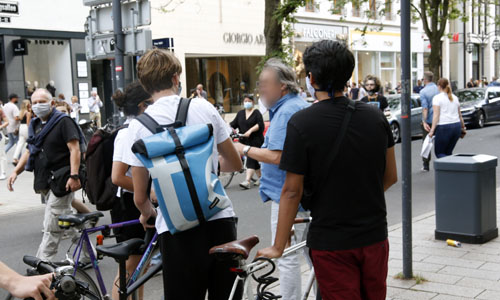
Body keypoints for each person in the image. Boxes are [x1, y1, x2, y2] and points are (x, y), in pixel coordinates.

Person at [256, 39, 398, 300]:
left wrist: (278, 247)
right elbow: (390, 176)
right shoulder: (376, 117)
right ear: (348, 76)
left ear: (311, 77)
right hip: (375, 236)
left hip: (332, 241)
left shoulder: (302, 123)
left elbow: (291, 191)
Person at [122, 49, 242, 300]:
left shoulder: (138, 127)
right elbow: (235, 163)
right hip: (219, 218)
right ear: (176, 78)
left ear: (145, 86)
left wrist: (148, 214)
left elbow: (140, 195)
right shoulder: (203, 108)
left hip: (175, 229)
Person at [233, 58, 310, 300]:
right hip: (298, 194)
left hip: (287, 195)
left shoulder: (287, 110)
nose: (260, 90)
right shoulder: (296, 105)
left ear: (283, 87)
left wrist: (242, 149)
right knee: (310, 253)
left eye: (265, 84)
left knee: (286, 256)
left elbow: (277, 156)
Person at [7, 88, 88, 261]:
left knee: (51, 226)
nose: (38, 106)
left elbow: (75, 149)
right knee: (66, 223)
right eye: (34, 103)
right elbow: (30, 151)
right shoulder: (35, 126)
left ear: (51, 103)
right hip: (45, 181)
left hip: (62, 181)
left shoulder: (63, 121)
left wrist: (74, 176)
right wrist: (15, 172)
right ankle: (90, 255)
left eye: (42, 102)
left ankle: (42, 265)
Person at [110, 81, 152, 300]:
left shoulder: (134, 128)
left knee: (139, 267)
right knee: (130, 267)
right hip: (129, 205)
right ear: (143, 105)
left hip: (132, 202)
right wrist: (146, 191)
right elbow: (117, 177)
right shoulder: (129, 133)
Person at [230, 95, 265, 189]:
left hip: (255, 139)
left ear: (253, 102)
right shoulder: (240, 113)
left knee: (250, 155)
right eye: (245, 101)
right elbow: (233, 124)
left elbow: (260, 124)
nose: (246, 103)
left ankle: (247, 181)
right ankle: (262, 178)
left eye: (248, 101)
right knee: (254, 159)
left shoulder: (256, 113)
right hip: (244, 140)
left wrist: (250, 131)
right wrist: (227, 128)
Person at [428, 78, 466, 158]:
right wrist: (463, 127)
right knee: (448, 152)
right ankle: (451, 169)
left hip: (444, 126)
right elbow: (460, 115)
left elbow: (436, 115)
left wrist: (432, 130)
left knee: (439, 153)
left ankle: (452, 168)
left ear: (439, 86)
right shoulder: (455, 98)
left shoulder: (437, 98)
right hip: (456, 126)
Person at [419, 71, 439, 171]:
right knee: (440, 141)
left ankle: (426, 165)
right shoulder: (438, 89)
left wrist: (424, 121)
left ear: (425, 80)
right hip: (440, 120)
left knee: (426, 142)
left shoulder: (423, 92)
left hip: (430, 121)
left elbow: (425, 108)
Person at [12, 100, 32, 166]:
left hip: (21, 127)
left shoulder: (21, 112)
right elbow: (28, 123)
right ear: (27, 104)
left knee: (20, 143)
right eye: (29, 103)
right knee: (31, 141)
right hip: (26, 127)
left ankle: (15, 158)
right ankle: (29, 157)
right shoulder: (28, 113)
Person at [0, 105, 8, 180]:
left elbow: (7, 122)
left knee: (1, 154)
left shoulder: (0, 110)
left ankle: (3, 172)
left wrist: (0, 127)